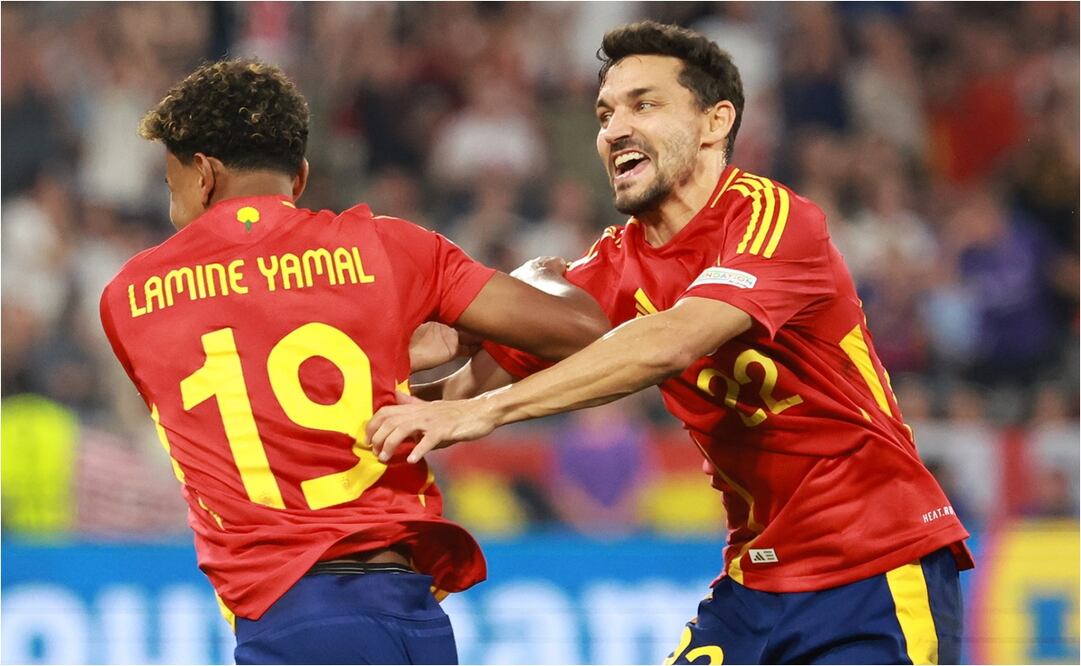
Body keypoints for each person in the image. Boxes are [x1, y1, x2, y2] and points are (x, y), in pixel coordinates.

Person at [369, 21, 974, 665]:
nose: (614, 129)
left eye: (644, 104)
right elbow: (461, 389)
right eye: (605, 113)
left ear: (716, 122)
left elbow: (671, 341)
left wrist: (480, 411)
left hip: (875, 565)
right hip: (756, 580)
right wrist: (420, 372)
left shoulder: (773, 218)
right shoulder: (613, 267)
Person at [98, 59, 607, 665]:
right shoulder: (390, 248)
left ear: (203, 174)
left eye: (171, 185)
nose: (173, 206)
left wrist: (386, 353)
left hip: (290, 619)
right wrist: (537, 275)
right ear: (301, 176)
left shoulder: (129, 298)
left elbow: (244, 381)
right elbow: (582, 330)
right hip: (409, 614)